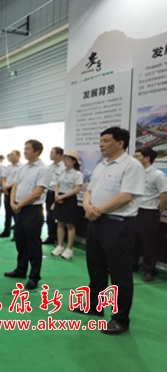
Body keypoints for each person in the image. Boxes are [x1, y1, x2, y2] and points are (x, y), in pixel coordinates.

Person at [77, 127, 145, 335]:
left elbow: (126, 196)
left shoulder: (131, 165)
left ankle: (120, 319)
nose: (101, 144)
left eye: (106, 141)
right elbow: (89, 190)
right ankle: (94, 306)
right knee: (95, 267)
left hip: (118, 224)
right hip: (96, 222)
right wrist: (88, 207)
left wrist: (97, 210)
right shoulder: (101, 165)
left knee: (119, 273)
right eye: (101, 141)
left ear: (120, 143)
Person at [5, 139, 52, 290]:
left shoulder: (43, 169)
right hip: (19, 209)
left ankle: (34, 276)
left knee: (33, 245)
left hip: (32, 210)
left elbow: (37, 193)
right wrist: (12, 202)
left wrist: (20, 204)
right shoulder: (23, 167)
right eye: (24, 148)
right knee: (20, 242)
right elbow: (15, 185)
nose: (25, 151)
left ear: (37, 151)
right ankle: (21, 269)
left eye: (28, 149)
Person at [133, 148, 167, 282]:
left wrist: (159, 212)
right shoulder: (136, 173)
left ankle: (149, 271)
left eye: (137, 156)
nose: (134, 159)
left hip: (149, 212)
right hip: (135, 211)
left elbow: (164, 195)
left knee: (149, 244)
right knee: (133, 240)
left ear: (147, 158)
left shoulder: (158, 175)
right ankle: (133, 265)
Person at [51, 151, 83, 259]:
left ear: (74, 161)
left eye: (68, 159)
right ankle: (60, 246)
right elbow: (57, 184)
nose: (65, 161)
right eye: (65, 159)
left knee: (70, 224)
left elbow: (77, 189)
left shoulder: (77, 174)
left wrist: (63, 196)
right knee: (60, 223)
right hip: (59, 198)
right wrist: (57, 195)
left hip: (69, 199)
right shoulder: (62, 172)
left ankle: (69, 249)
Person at [0, 150, 22, 238]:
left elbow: (18, 181)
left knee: (15, 212)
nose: (10, 156)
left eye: (12, 155)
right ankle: (6, 231)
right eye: (10, 155)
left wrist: (7, 187)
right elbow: (4, 177)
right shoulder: (8, 166)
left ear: (18, 156)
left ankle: (17, 234)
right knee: (7, 212)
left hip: (15, 189)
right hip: (6, 189)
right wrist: (4, 186)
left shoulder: (21, 167)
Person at [43, 147, 65, 245]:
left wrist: (58, 195)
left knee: (59, 217)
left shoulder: (64, 167)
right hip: (49, 193)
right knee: (49, 216)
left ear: (59, 155)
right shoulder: (49, 167)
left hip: (59, 194)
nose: (50, 155)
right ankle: (51, 236)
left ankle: (58, 239)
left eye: (52, 153)